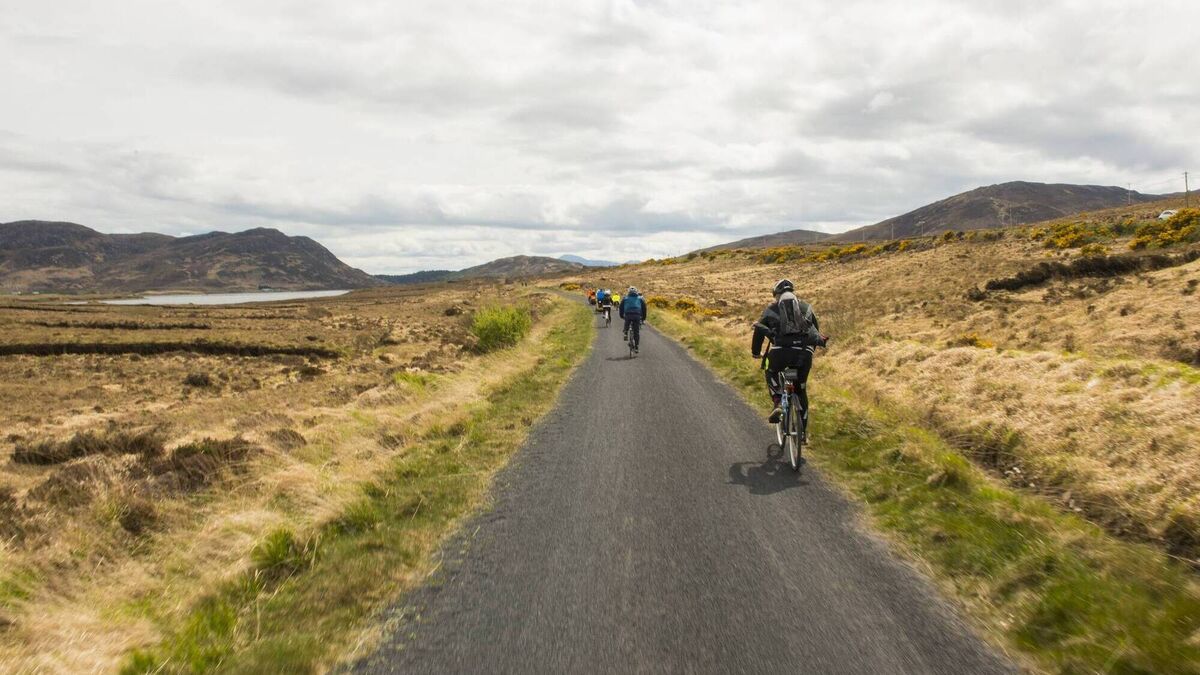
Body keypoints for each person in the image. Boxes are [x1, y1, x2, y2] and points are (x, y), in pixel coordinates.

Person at [751, 279, 827, 431]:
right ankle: (802, 434)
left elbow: (759, 331)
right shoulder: (806, 307)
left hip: (779, 354)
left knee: (770, 369)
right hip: (803, 354)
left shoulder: (771, 309)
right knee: (801, 389)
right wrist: (809, 352)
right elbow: (815, 332)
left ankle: (778, 401)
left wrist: (756, 353)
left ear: (776, 295)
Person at [619, 286, 647, 351]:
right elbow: (644, 308)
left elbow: (621, 307)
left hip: (628, 314)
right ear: (636, 292)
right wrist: (643, 318)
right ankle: (636, 347)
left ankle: (625, 332)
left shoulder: (625, 298)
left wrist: (621, 315)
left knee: (627, 322)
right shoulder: (640, 299)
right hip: (637, 315)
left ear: (628, 292)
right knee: (636, 332)